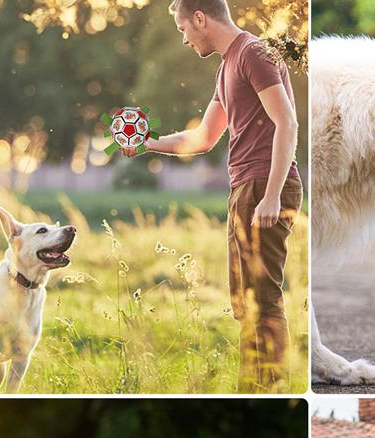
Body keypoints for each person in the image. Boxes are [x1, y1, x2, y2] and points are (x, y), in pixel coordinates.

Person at [126, 0, 302, 391]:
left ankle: (269, 388)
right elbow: (202, 139)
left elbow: (286, 120)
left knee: (264, 297)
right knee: (244, 301)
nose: (185, 39)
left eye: (183, 29)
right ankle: (251, 384)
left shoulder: (254, 54)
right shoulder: (228, 67)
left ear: (201, 19)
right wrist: (146, 145)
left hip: (264, 186)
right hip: (244, 189)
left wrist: (272, 195)